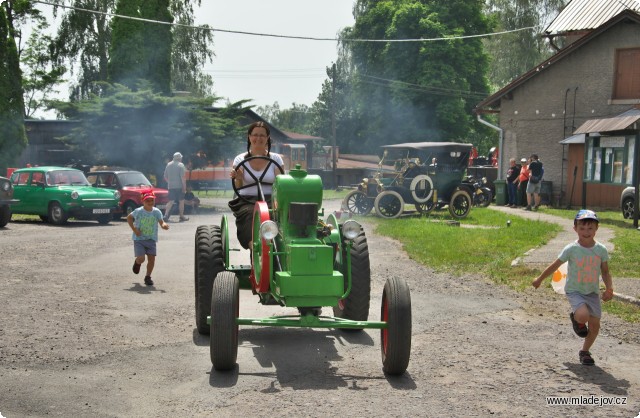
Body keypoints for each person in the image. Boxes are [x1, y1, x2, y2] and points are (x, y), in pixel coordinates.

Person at [531, 209, 613, 366]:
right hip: (575, 290)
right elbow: (555, 265)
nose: (586, 232)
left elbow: (605, 271)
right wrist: (540, 279)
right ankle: (577, 318)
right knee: (583, 315)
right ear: (575, 229)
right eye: (582, 228)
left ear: (597, 228)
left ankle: (585, 351)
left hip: (592, 292)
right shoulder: (571, 249)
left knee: (595, 326)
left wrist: (609, 288)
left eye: (590, 228)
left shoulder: (601, 250)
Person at [228, 121, 285, 249]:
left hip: (271, 199)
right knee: (250, 214)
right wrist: (238, 177)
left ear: (267, 138)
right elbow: (239, 185)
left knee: (280, 215)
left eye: (262, 135)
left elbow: (281, 183)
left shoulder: (276, 159)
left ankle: (282, 246)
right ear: (249, 137)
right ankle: (255, 247)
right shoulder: (240, 159)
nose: (258, 138)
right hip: (246, 200)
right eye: (255, 135)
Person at [127, 190, 170, 286]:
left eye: (152, 200)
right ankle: (137, 262)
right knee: (141, 259)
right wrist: (134, 230)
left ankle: (148, 277)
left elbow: (161, 221)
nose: (150, 202)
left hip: (151, 239)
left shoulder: (156, 212)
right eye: (148, 201)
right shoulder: (139, 211)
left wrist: (164, 225)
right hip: (139, 239)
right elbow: (129, 218)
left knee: (151, 260)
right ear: (143, 201)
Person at [163, 152, 189, 222]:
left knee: (171, 201)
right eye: (181, 158)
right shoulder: (181, 165)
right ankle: (181, 216)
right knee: (181, 201)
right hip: (179, 186)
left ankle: (165, 215)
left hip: (171, 186)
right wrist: (184, 188)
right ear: (179, 158)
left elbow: (165, 176)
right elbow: (183, 178)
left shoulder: (168, 165)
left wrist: (169, 182)